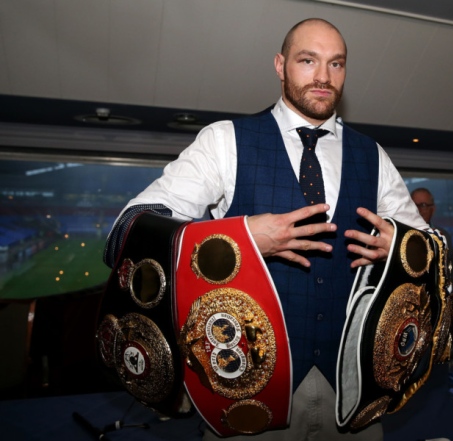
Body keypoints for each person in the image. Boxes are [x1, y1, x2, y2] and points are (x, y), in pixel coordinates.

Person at [103, 18, 428, 441]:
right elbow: (129, 229)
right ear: (280, 65)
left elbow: (429, 247)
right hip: (244, 389)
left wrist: (398, 245)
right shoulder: (224, 141)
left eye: (336, 64)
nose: (323, 77)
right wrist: (240, 240)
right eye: (308, 61)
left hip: (351, 392)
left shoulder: (373, 156)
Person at [410, 187, 453, 290]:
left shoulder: (443, 236)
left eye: (423, 205)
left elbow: (450, 276)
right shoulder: (398, 235)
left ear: (433, 209)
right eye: (414, 205)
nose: (418, 210)